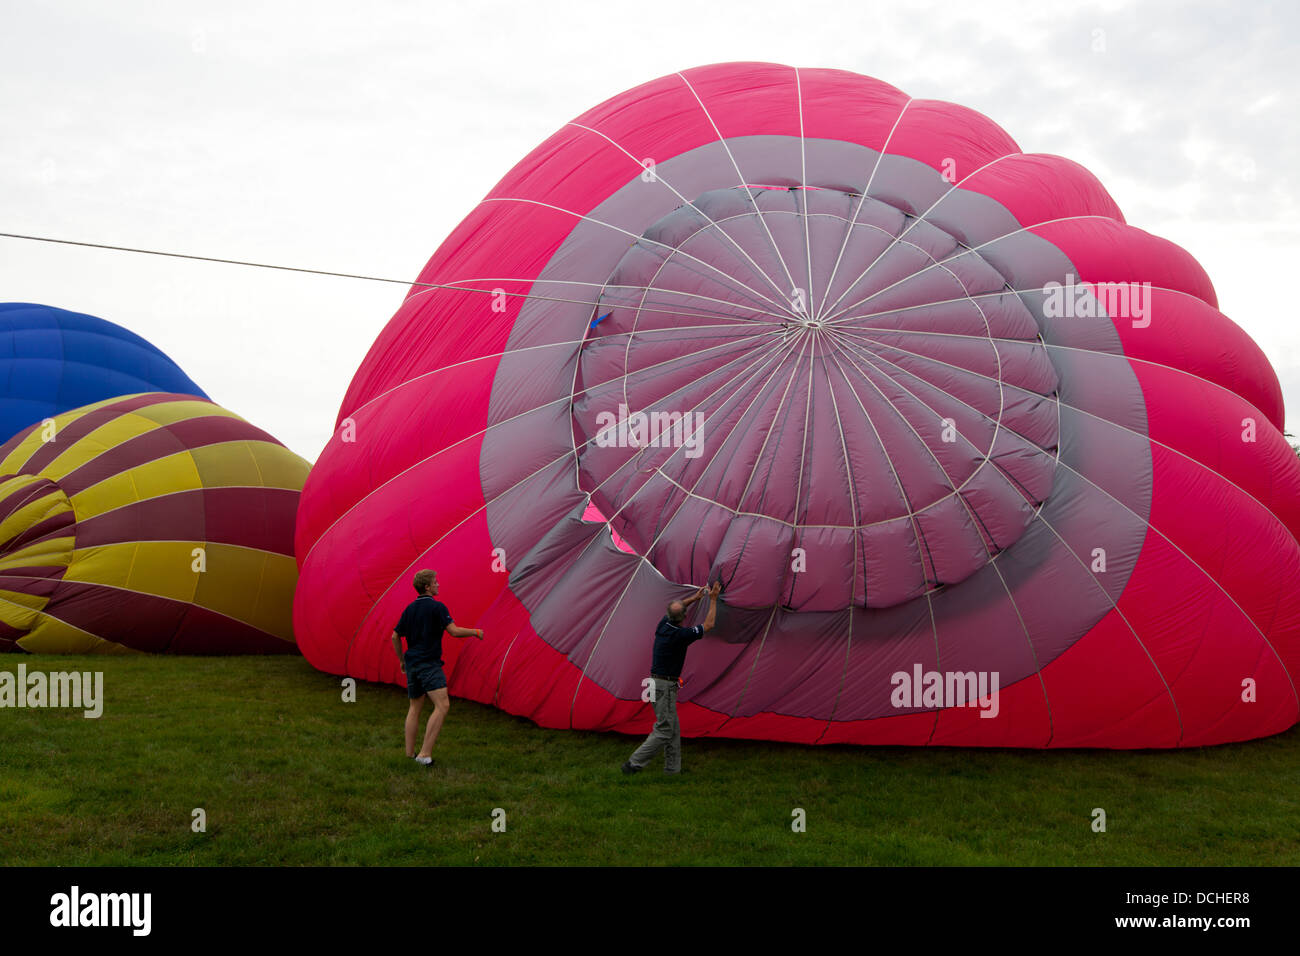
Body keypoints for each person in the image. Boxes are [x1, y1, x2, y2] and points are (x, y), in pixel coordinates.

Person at [622, 581, 721, 776]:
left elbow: (677, 608)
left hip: (655, 683)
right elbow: (709, 624)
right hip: (664, 686)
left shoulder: (663, 625)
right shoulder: (680, 635)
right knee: (664, 729)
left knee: (673, 728)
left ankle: (672, 770)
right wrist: (713, 600)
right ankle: (633, 764)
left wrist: (695, 598)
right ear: (683, 618)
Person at [390, 568, 484, 767]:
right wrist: (475, 632)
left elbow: (395, 636)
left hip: (413, 663)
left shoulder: (409, 609)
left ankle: (409, 754)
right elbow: (454, 632)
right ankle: (424, 755)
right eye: (435, 582)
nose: (438, 584)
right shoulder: (437, 607)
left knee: (415, 707)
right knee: (443, 705)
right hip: (428, 664)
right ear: (427, 587)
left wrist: (401, 660)